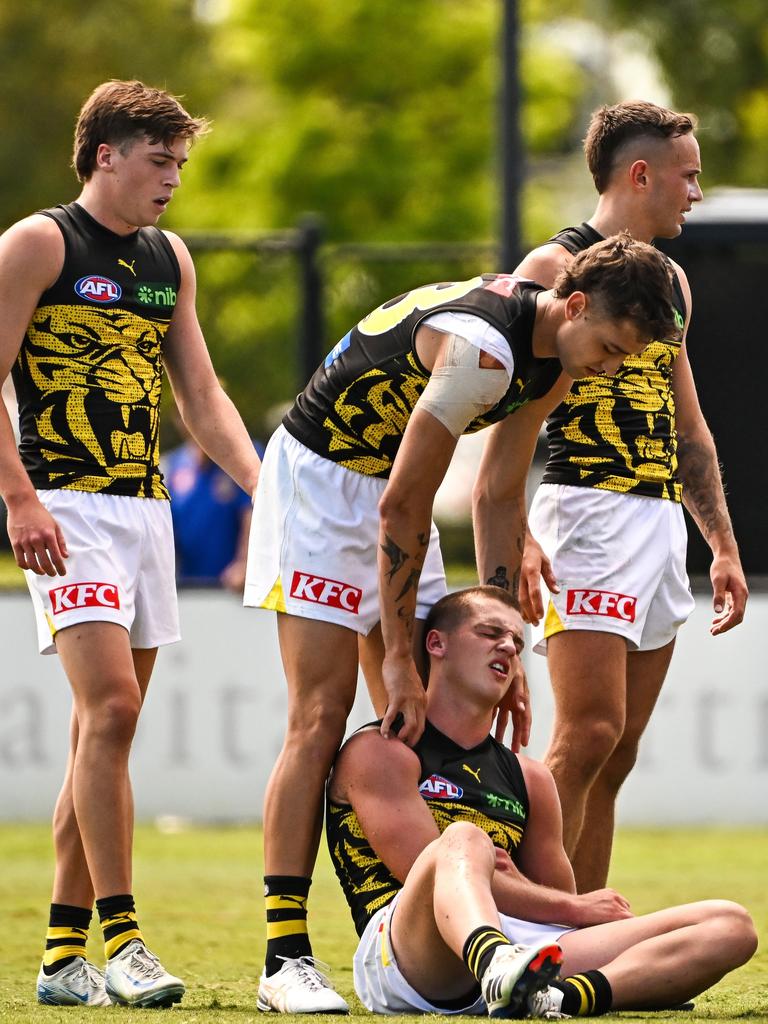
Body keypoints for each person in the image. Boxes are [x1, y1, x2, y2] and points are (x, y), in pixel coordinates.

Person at [243, 234, 682, 1012]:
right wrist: (399, 664)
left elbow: (502, 496)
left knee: (418, 716)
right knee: (321, 714)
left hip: (384, 490)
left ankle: (456, 931)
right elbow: (404, 507)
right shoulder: (484, 350)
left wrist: (503, 649)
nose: (610, 368)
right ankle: (285, 957)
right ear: (573, 305)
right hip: (321, 477)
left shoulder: (555, 359)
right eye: (610, 348)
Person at [0, 80, 261, 1007]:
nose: (173, 181)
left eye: (182, 165)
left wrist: (264, 492)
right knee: (109, 711)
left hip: (141, 507)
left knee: (100, 733)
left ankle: (62, 959)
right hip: (64, 509)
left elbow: (201, 392)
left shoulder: (168, 259)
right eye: (160, 161)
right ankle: (125, 937)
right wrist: (19, 499)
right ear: (104, 154)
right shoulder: (38, 242)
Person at [472, 101, 748, 893]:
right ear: (641, 174)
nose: (695, 192)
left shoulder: (671, 282)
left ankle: (584, 928)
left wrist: (721, 543)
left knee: (616, 749)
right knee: (586, 733)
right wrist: (516, 533)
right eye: (687, 176)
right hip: (584, 508)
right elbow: (504, 414)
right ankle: (523, 925)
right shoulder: (550, 269)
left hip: (659, 522)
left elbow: (686, 425)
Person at [326, 586, 757, 1018]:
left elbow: (554, 909)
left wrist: (539, 897)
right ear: (437, 644)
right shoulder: (381, 750)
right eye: (490, 632)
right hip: (409, 955)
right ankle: (495, 962)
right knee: (462, 839)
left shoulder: (530, 778)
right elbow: (432, 870)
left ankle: (555, 998)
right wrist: (560, 901)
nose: (509, 647)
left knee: (729, 924)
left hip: (525, 949)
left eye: (516, 641)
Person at [164, 421, 263, 591]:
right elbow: (166, 527)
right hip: (189, 587)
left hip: (236, 588)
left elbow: (254, 511)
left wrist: (245, 562)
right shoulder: (174, 464)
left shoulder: (245, 455)